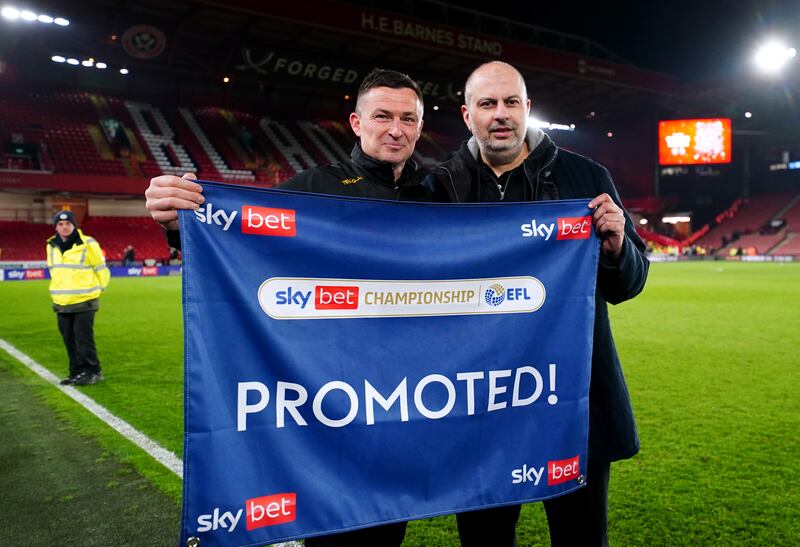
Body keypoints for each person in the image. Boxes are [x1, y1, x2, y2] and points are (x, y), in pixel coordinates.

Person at [146, 68, 434, 547]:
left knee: (390, 526)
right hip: (335, 399)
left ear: (420, 127)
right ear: (356, 122)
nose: (396, 129)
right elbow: (242, 239)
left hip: (414, 397)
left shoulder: (439, 192)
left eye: (408, 118)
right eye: (382, 115)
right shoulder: (311, 189)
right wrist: (178, 222)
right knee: (339, 530)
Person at [426, 61, 649, 546]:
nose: (500, 114)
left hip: (573, 404)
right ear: (468, 116)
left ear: (528, 109)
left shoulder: (585, 177)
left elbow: (630, 282)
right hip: (478, 407)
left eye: (510, 103)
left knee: (582, 538)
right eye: (487, 104)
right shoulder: (437, 188)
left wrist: (615, 249)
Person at [47, 210, 110, 386]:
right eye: (60, 224)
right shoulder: (51, 245)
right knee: (69, 340)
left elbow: (101, 269)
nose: (64, 227)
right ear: (56, 227)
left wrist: (98, 291)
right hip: (62, 302)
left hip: (85, 300)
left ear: (74, 225)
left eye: (68, 223)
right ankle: (76, 372)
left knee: (83, 339)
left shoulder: (88, 243)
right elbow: (55, 271)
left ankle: (93, 371)